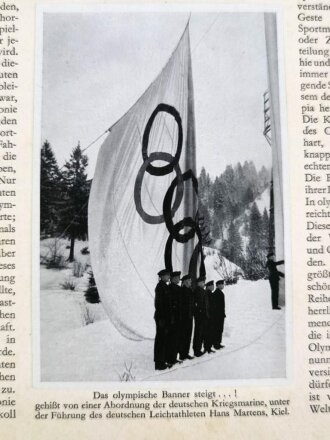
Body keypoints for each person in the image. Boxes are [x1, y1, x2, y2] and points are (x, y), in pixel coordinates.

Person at [154, 269, 170, 370]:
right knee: (160, 340)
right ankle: (159, 364)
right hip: (161, 317)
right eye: (167, 275)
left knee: (163, 340)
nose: (168, 277)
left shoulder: (164, 286)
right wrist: (162, 318)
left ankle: (162, 361)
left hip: (164, 317)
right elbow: (159, 304)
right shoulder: (160, 287)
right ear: (162, 276)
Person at [167, 271, 182, 365]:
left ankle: (174, 357)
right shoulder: (170, 288)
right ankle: (170, 359)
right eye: (177, 277)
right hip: (172, 318)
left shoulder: (178, 288)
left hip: (178, 317)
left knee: (176, 338)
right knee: (171, 339)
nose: (179, 279)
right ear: (172, 279)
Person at [179, 274, 195, 361]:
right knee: (183, 336)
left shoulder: (190, 290)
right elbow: (181, 305)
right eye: (189, 281)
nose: (191, 282)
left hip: (190, 316)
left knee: (188, 335)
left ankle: (186, 353)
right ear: (185, 282)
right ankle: (182, 354)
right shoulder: (182, 291)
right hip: (184, 317)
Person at [193, 276, 208, 357]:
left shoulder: (202, 290)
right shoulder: (198, 290)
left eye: (203, 282)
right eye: (202, 282)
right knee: (198, 332)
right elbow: (198, 304)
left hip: (202, 314)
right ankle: (196, 350)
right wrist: (200, 311)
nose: (203, 283)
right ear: (198, 283)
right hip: (199, 315)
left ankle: (198, 348)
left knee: (201, 332)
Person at [212, 280, 226, 350]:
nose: (223, 285)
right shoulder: (217, 293)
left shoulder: (220, 293)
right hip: (217, 315)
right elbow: (215, 306)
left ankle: (218, 343)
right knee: (217, 329)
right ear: (218, 285)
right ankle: (216, 343)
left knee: (220, 329)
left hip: (220, 315)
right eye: (222, 284)